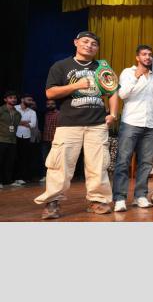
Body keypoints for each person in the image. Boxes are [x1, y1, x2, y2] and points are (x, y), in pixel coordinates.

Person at [35, 31, 118, 219]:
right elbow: (50, 93)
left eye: (94, 44)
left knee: (98, 165)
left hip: (97, 124)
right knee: (60, 165)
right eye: (85, 41)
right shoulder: (61, 66)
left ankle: (98, 200)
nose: (89, 45)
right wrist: (75, 86)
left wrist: (113, 114)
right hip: (69, 124)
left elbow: (113, 91)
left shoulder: (101, 67)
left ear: (97, 48)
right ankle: (53, 202)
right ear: (76, 42)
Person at [113, 45, 153, 212]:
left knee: (146, 163)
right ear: (137, 57)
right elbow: (122, 95)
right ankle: (120, 198)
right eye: (144, 54)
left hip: (150, 125)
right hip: (131, 122)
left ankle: (140, 196)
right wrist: (136, 76)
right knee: (123, 161)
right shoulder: (128, 72)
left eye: (150, 55)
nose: (148, 57)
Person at [13, 93, 37, 186]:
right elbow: (12, 121)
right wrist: (25, 122)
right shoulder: (15, 108)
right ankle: (12, 178)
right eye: (29, 100)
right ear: (22, 99)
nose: (30, 102)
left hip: (26, 137)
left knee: (23, 158)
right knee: (13, 157)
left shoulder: (32, 112)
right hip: (14, 136)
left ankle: (20, 178)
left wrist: (19, 122)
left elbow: (33, 124)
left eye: (31, 100)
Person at [0, 91, 22, 189]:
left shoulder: (18, 113)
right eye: (10, 98)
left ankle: (8, 181)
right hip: (1, 139)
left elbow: (15, 126)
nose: (13, 99)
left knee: (10, 162)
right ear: (5, 100)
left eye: (15, 98)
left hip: (12, 140)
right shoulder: (1, 110)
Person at [40, 99, 59, 183]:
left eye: (52, 104)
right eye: (48, 104)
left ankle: (56, 176)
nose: (50, 105)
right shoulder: (44, 114)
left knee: (56, 159)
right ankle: (46, 175)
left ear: (55, 104)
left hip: (55, 140)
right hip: (45, 139)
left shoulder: (59, 114)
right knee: (45, 158)